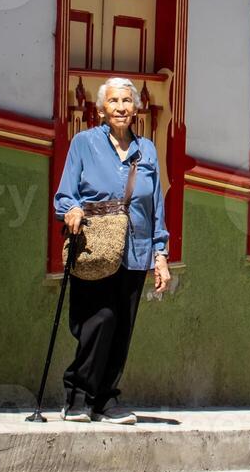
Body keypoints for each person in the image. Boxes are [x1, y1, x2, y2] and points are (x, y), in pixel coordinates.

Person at [53, 77, 171, 424]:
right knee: (97, 320)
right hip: (96, 243)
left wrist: (160, 255)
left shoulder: (146, 150)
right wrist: (71, 209)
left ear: (136, 108)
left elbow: (156, 205)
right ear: (101, 108)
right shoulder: (84, 143)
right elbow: (65, 192)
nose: (120, 107)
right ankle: (77, 396)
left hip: (136, 246)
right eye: (113, 101)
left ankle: (106, 400)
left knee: (122, 326)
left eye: (126, 101)